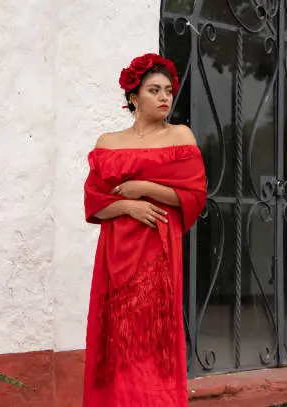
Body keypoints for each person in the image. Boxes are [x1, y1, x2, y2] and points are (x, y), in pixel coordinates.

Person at [82, 53, 207, 406]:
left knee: (151, 339)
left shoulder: (181, 136)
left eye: (168, 90)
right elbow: (94, 202)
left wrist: (144, 189)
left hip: (157, 252)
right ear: (134, 98)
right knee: (117, 338)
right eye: (154, 90)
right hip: (116, 252)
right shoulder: (108, 142)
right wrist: (126, 205)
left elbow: (195, 195)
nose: (165, 97)